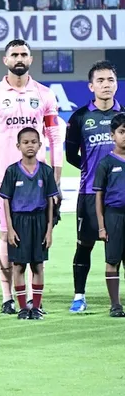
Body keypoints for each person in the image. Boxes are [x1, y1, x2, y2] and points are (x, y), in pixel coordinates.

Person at [0, 39, 63, 315]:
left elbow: (53, 136)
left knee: (38, 237)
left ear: (31, 59)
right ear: (5, 60)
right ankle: (8, 298)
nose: (19, 58)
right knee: (6, 236)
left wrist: (57, 177)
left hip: (37, 180)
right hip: (5, 180)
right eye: (14, 54)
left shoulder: (45, 94)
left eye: (24, 54)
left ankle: (34, 301)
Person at [65, 61, 119, 314]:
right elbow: (70, 156)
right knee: (84, 245)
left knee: (121, 247)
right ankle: (79, 296)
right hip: (89, 194)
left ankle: (116, 301)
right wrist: (96, 175)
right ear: (91, 86)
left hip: (120, 196)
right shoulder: (79, 117)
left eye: (110, 80)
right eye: (101, 81)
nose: (106, 85)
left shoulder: (124, 117)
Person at [0, 128, 59, 320]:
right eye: (26, 142)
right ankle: (23, 307)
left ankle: (37, 307)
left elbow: (51, 201)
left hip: (39, 221)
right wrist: (9, 228)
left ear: (40, 145)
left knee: (38, 266)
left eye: (34, 141)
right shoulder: (12, 171)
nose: (30, 145)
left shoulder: (46, 171)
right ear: (18, 146)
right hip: (19, 222)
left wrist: (49, 229)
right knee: (19, 266)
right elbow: (6, 200)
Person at [92, 112, 125, 317]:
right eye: (122, 132)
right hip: (114, 216)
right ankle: (115, 304)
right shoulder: (105, 163)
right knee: (112, 259)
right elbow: (99, 197)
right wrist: (102, 226)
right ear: (113, 135)